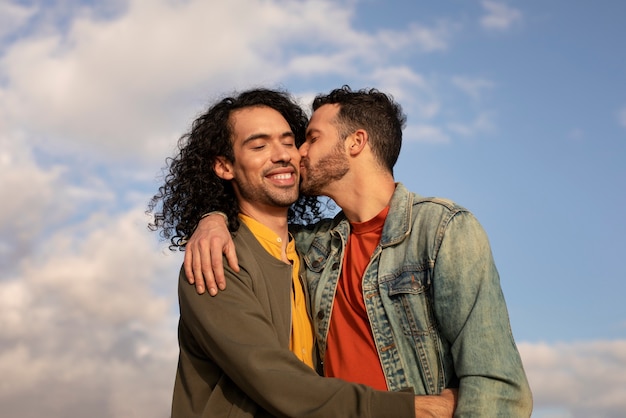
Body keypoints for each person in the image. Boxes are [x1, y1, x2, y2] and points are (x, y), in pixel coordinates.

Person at [186, 86, 534, 416]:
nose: (297, 154)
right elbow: (277, 377)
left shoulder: (441, 229)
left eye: (308, 139)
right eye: (262, 145)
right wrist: (213, 215)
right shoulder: (310, 249)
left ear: (356, 142)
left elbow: (494, 381)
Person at [147, 88, 457, 417]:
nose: (283, 155)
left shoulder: (316, 254)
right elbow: (275, 379)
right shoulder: (215, 258)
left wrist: (212, 216)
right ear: (225, 167)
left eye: (288, 141)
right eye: (259, 145)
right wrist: (413, 409)